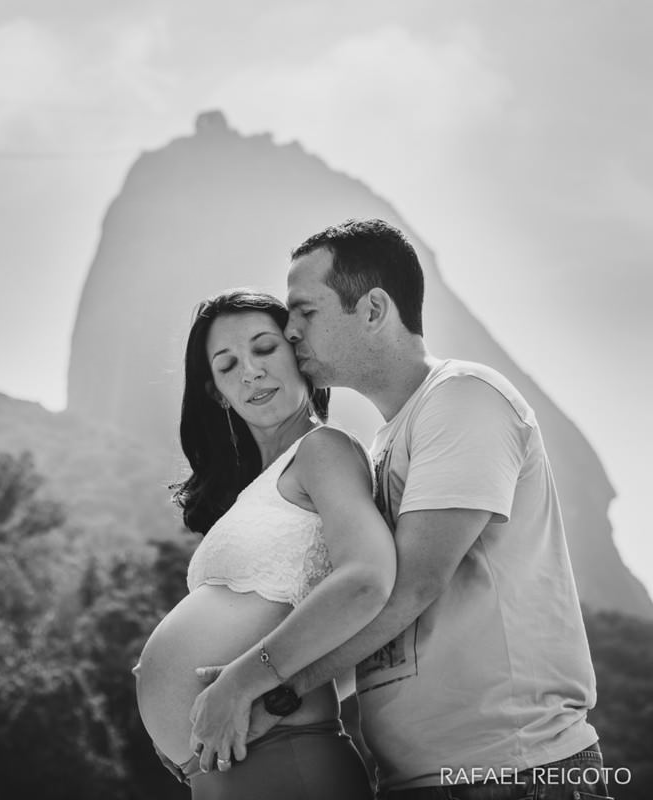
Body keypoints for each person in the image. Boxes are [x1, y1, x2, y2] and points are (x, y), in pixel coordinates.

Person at [195, 219, 607, 800]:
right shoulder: (385, 442)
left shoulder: (464, 398)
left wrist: (261, 687)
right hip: (420, 780)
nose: (290, 332)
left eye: (306, 312)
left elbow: (410, 587)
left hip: (514, 774)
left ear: (372, 309)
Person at [133, 289, 397, 799]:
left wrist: (242, 682)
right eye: (228, 364)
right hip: (222, 765)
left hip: (284, 754)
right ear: (216, 392)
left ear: (298, 353)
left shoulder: (323, 449)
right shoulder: (258, 488)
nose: (250, 372)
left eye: (264, 349)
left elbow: (367, 579)